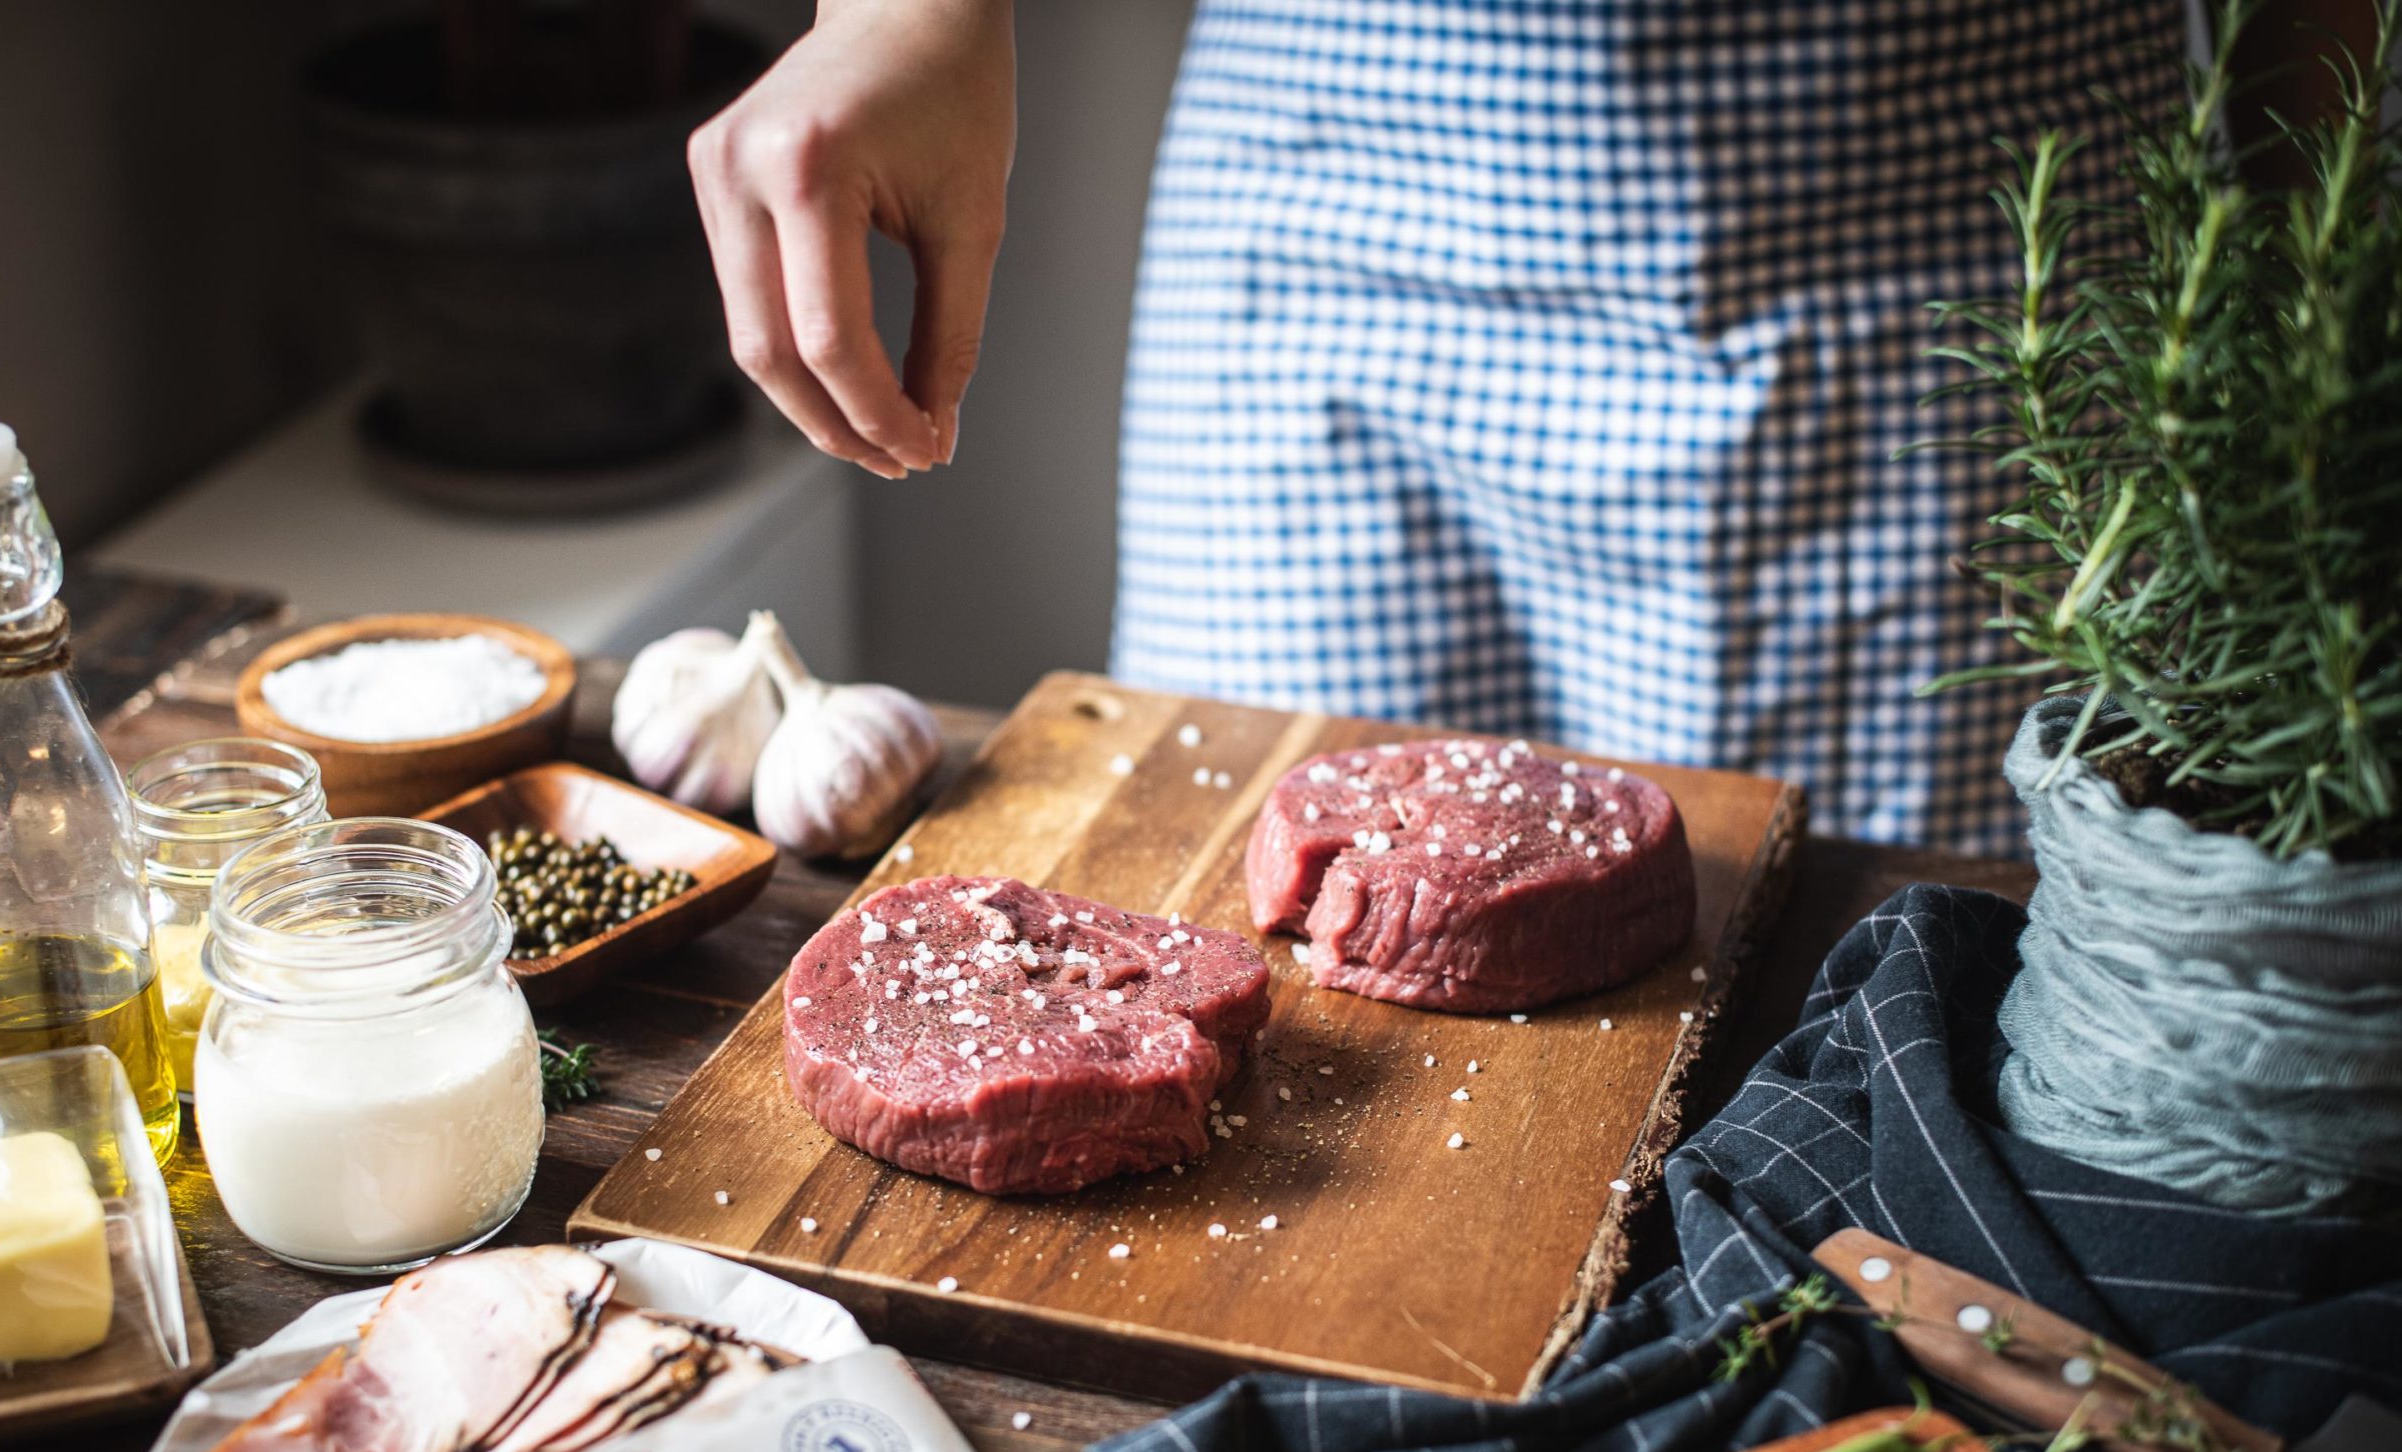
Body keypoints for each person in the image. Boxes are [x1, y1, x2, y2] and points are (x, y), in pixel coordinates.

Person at [686, 0, 2365, 856]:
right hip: (1337, 201)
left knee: (1889, 1058)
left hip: (1964, 254)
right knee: (1258, 958)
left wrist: (2320, 320)